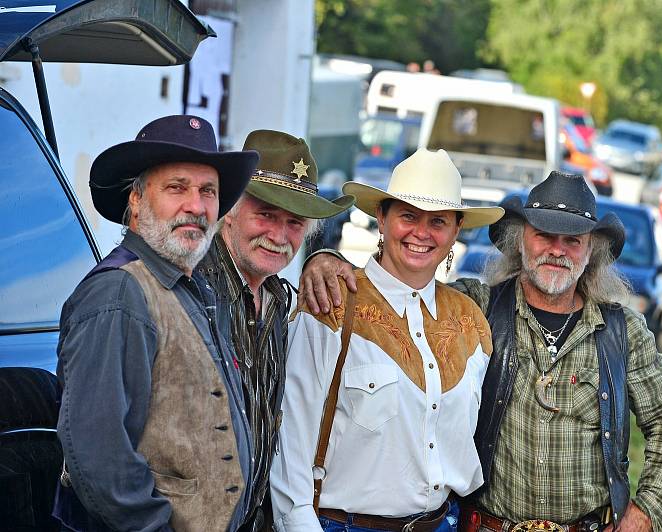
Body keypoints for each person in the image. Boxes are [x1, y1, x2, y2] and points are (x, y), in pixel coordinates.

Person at [299, 171, 662, 532]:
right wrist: (326, 260)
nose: (556, 250)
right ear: (520, 239)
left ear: (590, 250)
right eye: (544, 234)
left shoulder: (621, 332)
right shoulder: (471, 309)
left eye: (572, 240)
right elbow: (399, 286)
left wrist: (644, 513)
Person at [270, 149, 505, 532]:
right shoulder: (329, 305)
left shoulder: (471, 321)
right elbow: (289, 447)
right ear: (382, 218)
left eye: (438, 221)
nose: (421, 233)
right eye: (408, 216)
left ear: (456, 230)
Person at [54, 115, 259, 532]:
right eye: (176, 188)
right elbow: (98, 453)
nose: (196, 206)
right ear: (136, 200)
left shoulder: (189, 286)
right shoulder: (118, 293)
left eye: (208, 192)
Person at [196, 130, 354, 531]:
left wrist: (324, 257)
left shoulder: (281, 299)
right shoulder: (191, 288)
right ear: (228, 207)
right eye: (265, 214)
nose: (280, 236)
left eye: (295, 223)